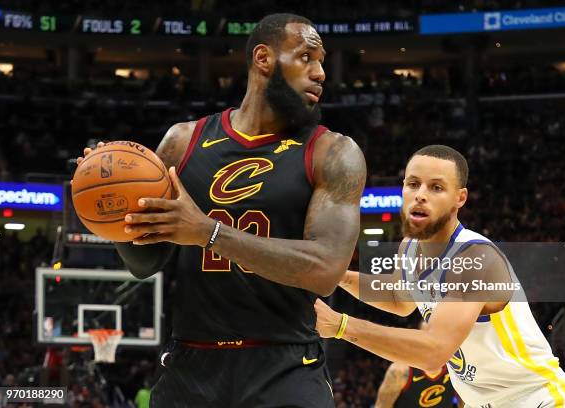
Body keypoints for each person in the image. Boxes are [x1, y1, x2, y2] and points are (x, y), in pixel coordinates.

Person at [77, 13, 366, 407]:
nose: (320, 73)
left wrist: (208, 233)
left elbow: (326, 270)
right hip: (191, 365)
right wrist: (114, 208)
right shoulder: (182, 142)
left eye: (321, 62)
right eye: (306, 58)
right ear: (263, 58)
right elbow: (144, 262)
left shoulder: (333, 152)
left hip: (285, 364)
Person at [316, 145, 565, 408]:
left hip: (536, 397)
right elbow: (399, 298)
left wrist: (340, 325)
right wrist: (337, 274)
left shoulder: (474, 258)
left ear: (460, 198)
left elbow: (434, 351)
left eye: (436, 187)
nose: (420, 195)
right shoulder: (410, 246)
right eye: (413, 184)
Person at [375, 322, 460, 408]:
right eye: (426, 338)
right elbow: (382, 405)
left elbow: (464, 401)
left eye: (435, 337)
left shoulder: (455, 365)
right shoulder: (400, 370)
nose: (430, 342)